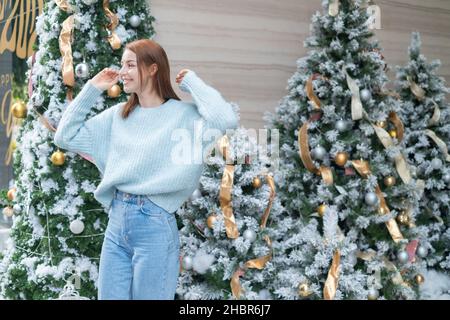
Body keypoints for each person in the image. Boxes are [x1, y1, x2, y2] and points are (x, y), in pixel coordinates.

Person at [53, 39, 238, 299]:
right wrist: (93, 88)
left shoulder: (184, 116)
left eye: (130, 64)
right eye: (122, 65)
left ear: (152, 69)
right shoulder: (118, 115)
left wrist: (192, 83)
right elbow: (64, 136)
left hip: (155, 224)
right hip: (117, 222)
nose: (123, 72)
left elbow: (226, 119)